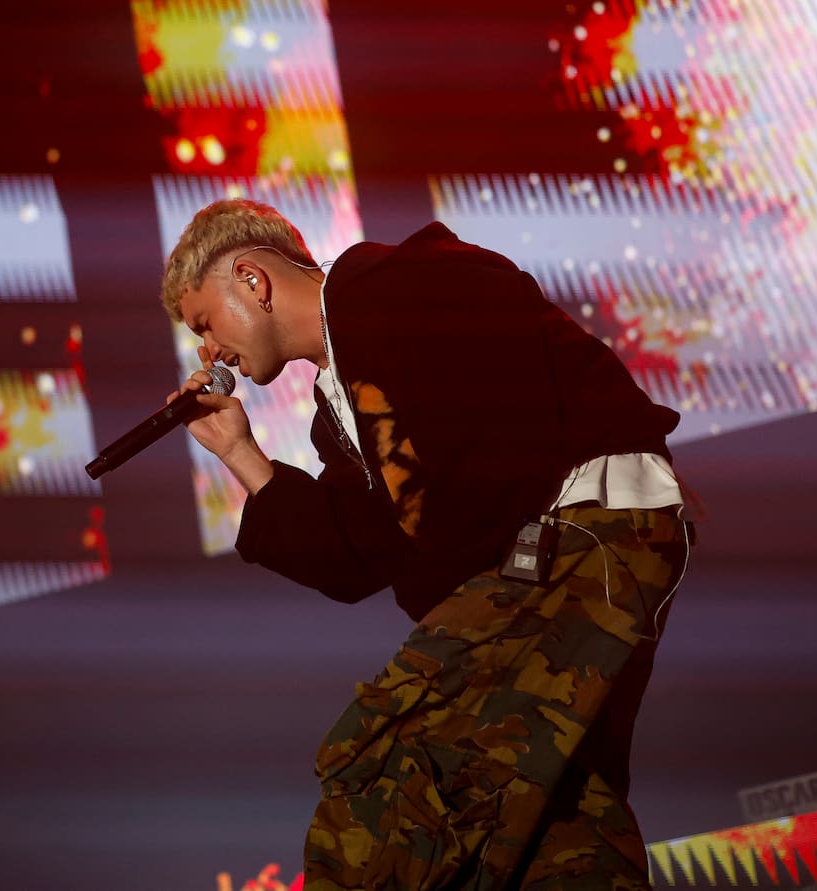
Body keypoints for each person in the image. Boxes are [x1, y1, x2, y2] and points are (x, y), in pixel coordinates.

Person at [162, 198, 692, 890]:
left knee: (385, 764)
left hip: (579, 527)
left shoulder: (400, 282)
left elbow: (503, 422)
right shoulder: (339, 407)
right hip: (557, 554)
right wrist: (241, 453)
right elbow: (355, 558)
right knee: (558, 827)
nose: (208, 351)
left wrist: (456, 603)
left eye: (204, 322)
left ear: (252, 279)